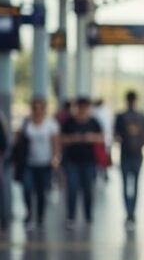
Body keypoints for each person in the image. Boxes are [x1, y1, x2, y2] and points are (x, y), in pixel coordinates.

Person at [60, 97, 103, 228]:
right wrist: (73, 138)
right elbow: (61, 138)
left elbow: (102, 138)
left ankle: (88, 215)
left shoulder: (94, 122)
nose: (83, 110)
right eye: (81, 107)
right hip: (72, 161)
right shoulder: (69, 122)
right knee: (72, 189)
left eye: (85, 107)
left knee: (88, 189)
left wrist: (91, 137)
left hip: (89, 161)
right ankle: (71, 216)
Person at [18, 98, 60, 229]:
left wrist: (55, 158)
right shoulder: (27, 122)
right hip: (28, 162)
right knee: (26, 188)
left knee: (41, 191)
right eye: (34, 108)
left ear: (44, 109)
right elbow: (20, 140)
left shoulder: (51, 124)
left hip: (45, 163)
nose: (37, 111)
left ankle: (40, 215)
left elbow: (55, 143)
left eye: (40, 108)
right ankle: (29, 212)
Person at [114, 90, 144, 229]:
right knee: (134, 185)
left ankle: (129, 213)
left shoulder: (120, 116)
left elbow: (116, 137)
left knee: (126, 185)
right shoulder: (142, 116)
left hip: (126, 156)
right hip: (136, 156)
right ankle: (131, 213)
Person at [92, 98, 113, 181]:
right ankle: (103, 171)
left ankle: (101, 171)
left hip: (101, 138)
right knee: (103, 156)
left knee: (101, 156)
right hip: (102, 138)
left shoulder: (94, 112)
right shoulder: (105, 112)